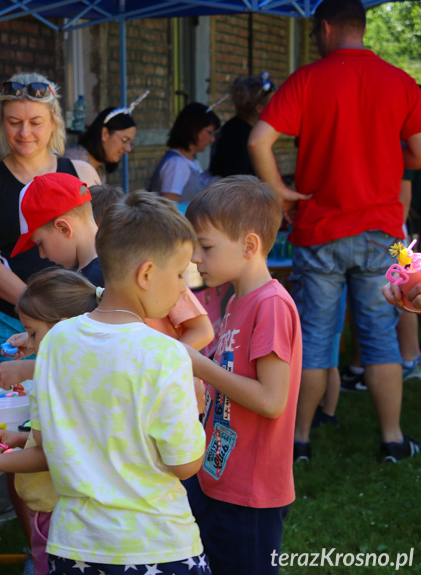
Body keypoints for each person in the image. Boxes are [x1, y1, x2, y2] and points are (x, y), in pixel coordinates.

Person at [250, 0, 421, 462]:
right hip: (380, 231)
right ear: (362, 28)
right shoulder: (402, 83)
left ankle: (299, 440)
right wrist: (385, 154)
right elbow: (420, 153)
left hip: (320, 228)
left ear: (324, 28)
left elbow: (257, 140)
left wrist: (280, 192)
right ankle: (392, 440)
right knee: (381, 338)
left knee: (316, 339)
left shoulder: (307, 79)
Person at [30, 190, 208, 574]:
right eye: (179, 274)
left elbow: (44, 440)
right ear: (145, 274)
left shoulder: (55, 341)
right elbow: (186, 464)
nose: (182, 288)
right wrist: (197, 413)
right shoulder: (166, 353)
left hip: (73, 547)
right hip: (157, 547)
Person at [0, 268, 100, 575]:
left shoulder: (50, 380)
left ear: (64, 328)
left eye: (33, 333)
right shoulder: (88, 371)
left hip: (58, 513)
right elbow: (65, 440)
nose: (29, 344)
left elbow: (47, 455)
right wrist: (23, 438)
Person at [183, 176, 302, 575]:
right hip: (220, 477)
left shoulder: (270, 305)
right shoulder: (237, 299)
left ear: (250, 246)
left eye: (206, 246)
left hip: (251, 494)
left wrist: (203, 367)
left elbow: (271, 400)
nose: (196, 258)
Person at [0, 72, 100, 382]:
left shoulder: (82, 172)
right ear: (2, 123)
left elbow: (99, 241)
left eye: (35, 122)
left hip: (75, 316)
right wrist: (40, 310)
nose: (24, 132)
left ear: (54, 122)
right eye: (14, 122)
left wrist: (61, 316)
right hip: (8, 319)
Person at [8, 172, 213, 350]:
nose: (42, 255)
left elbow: (201, 329)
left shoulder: (137, 261)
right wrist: (34, 337)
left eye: (40, 244)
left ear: (64, 228)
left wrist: (164, 365)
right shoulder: (77, 282)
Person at [149, 102, 221, 212]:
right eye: (210, 132)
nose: (212, 139)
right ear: (194, 130)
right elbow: (168, 210)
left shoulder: (190, 161)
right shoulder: (176, 164)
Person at [208, 74, 276, 178]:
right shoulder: (238, 134)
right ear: (259, 108)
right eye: (273, 103)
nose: (277, 107)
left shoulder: (239, 128)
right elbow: (237, 181)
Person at [65, 106, 137, 183]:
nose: (128, 148)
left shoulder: (100, 170)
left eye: (130, 143)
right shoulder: (72, 163)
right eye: (125, 139)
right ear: (104, 133)